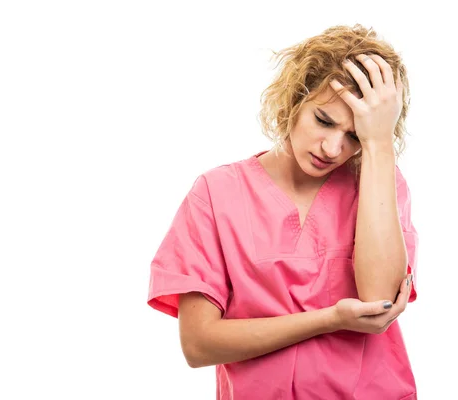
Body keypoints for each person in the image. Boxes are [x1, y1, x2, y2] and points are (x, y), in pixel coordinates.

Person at [147, 24, 420, 400]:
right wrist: (329, 320)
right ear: (294, 99)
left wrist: (379, 143)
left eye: (355, 135)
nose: (333, 147)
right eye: (323, 120)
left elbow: (379, 300)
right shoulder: (217, 193)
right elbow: (198, 345)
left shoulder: (379, 182)